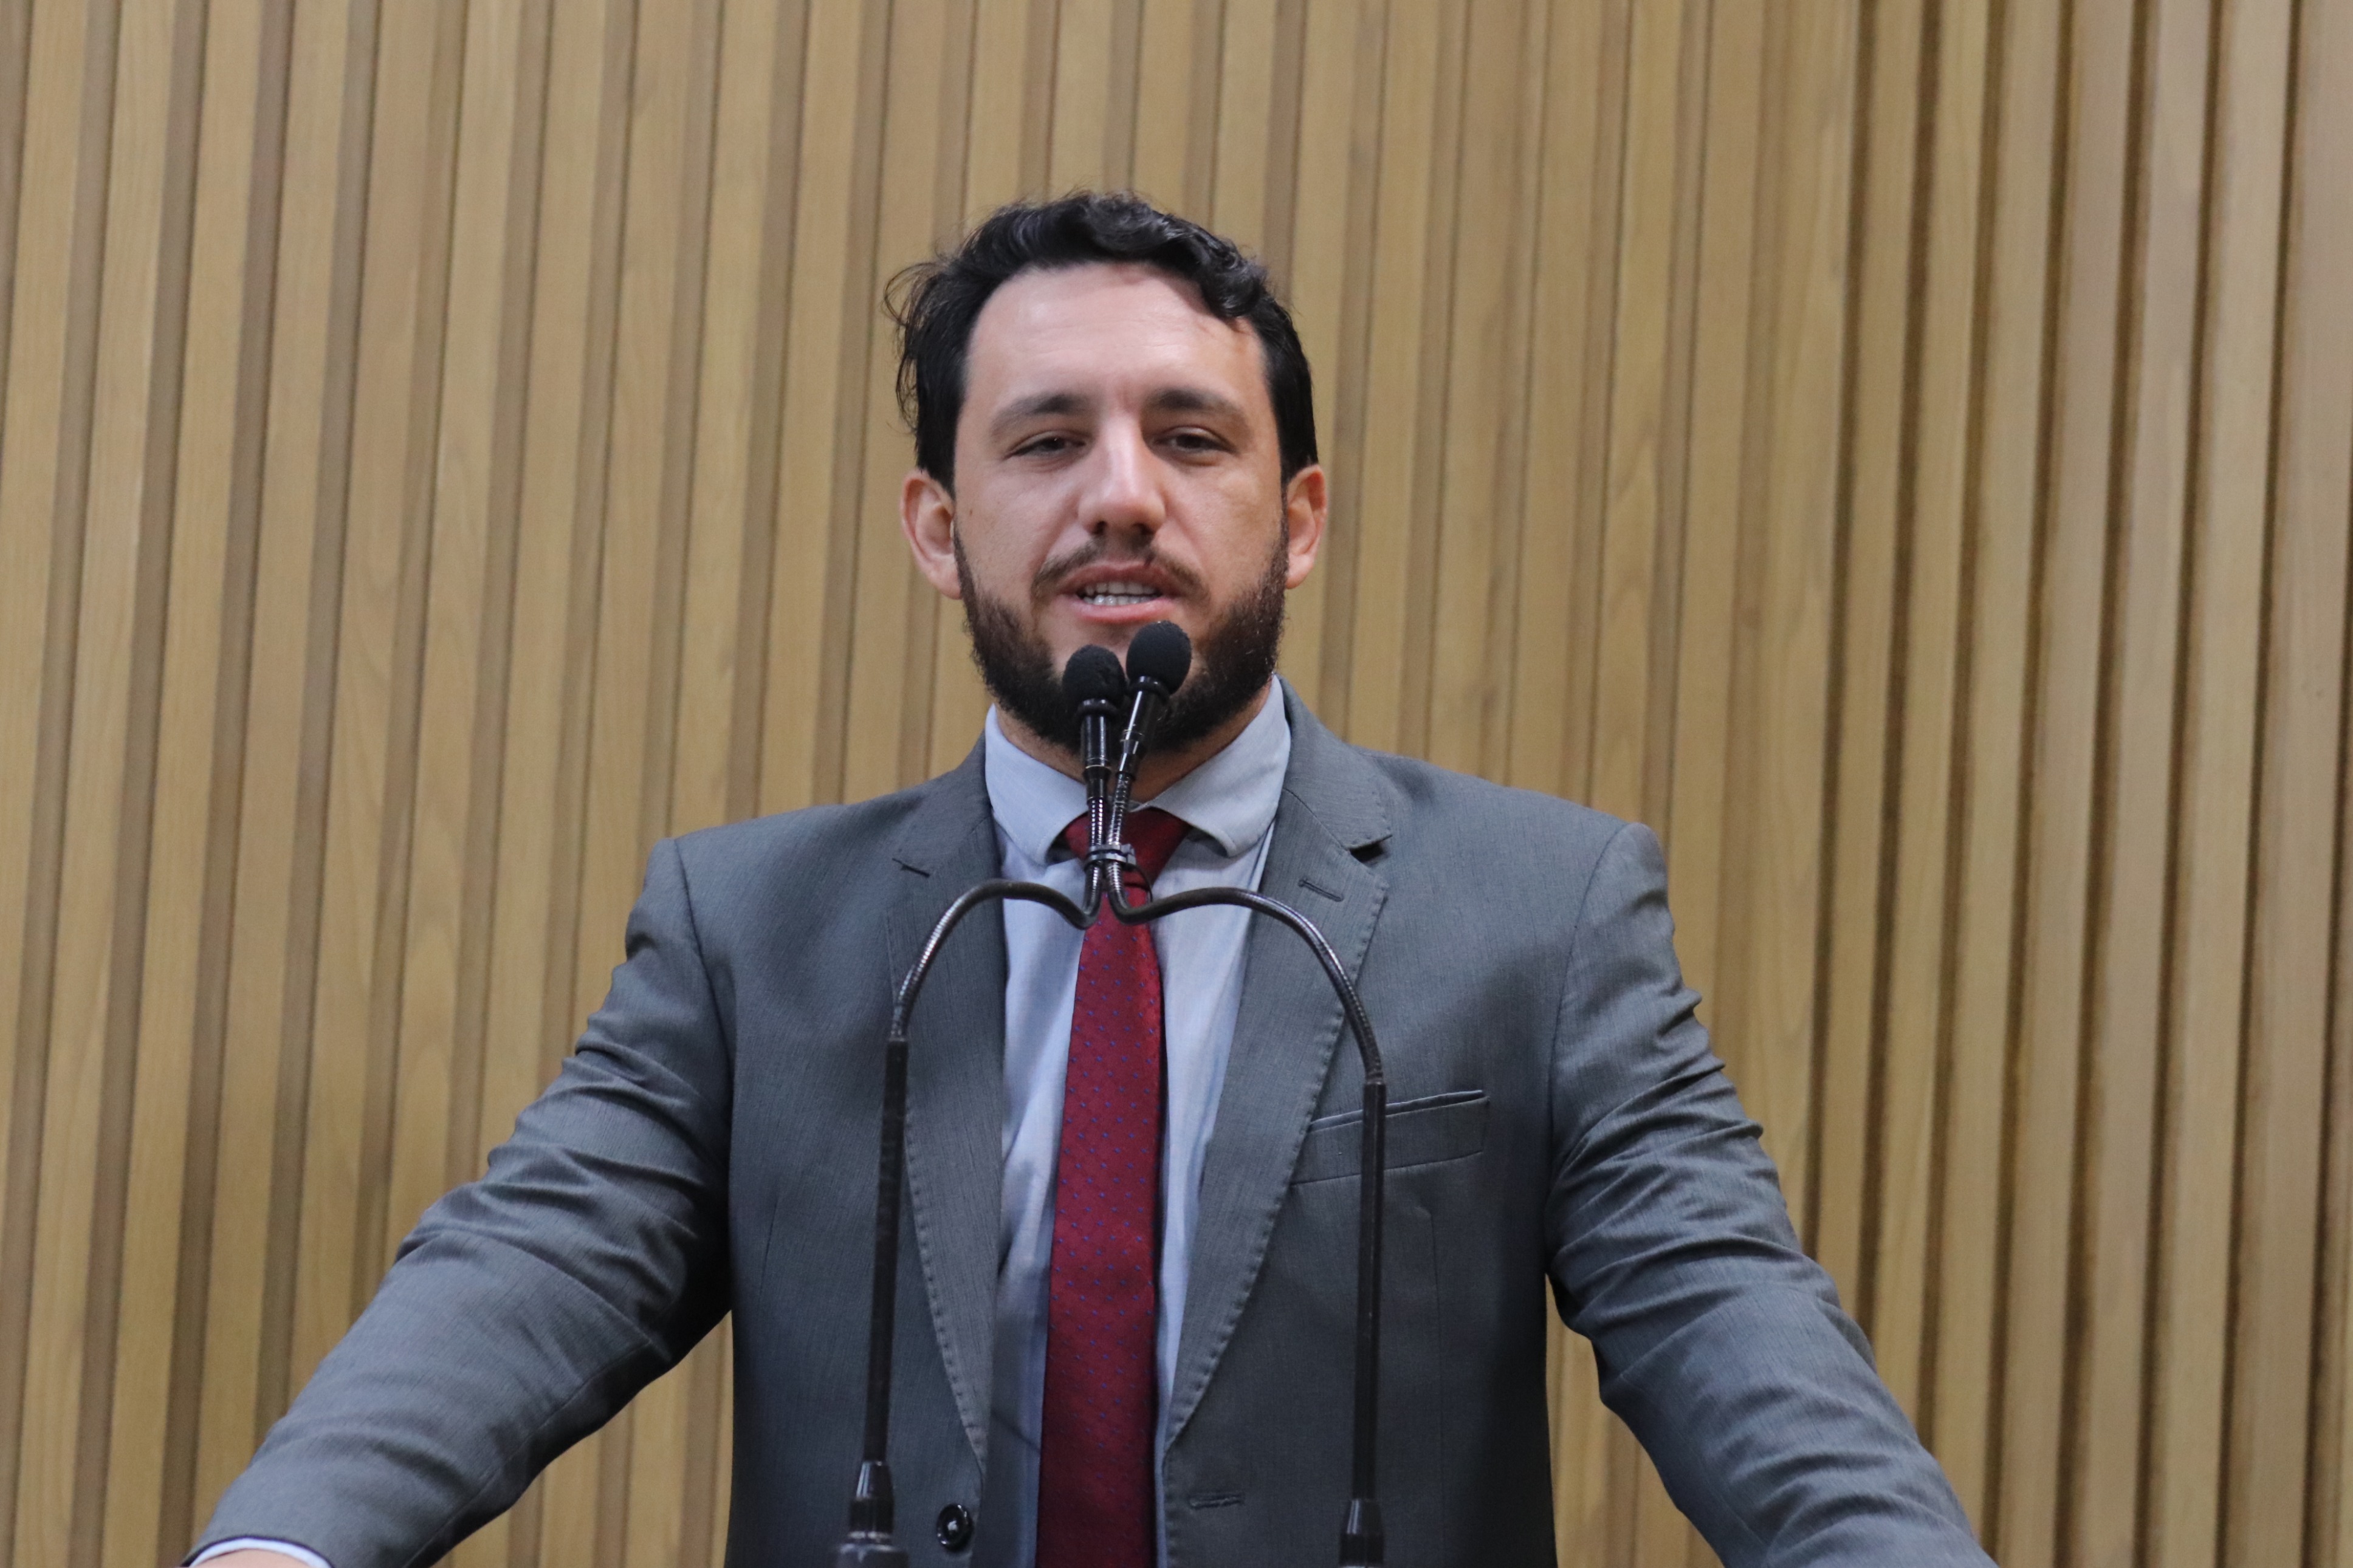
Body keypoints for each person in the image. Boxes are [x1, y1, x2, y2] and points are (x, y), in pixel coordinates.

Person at [194, 193, 1992, 1568]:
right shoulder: (755, 934)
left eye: (1191, 439)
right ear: (939, 526)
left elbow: (1733, 1324)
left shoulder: (1539, 914)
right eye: (1047, 441)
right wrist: (282, 1546)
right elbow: (531, 1266)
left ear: (1298, 517)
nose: (1121, 496)